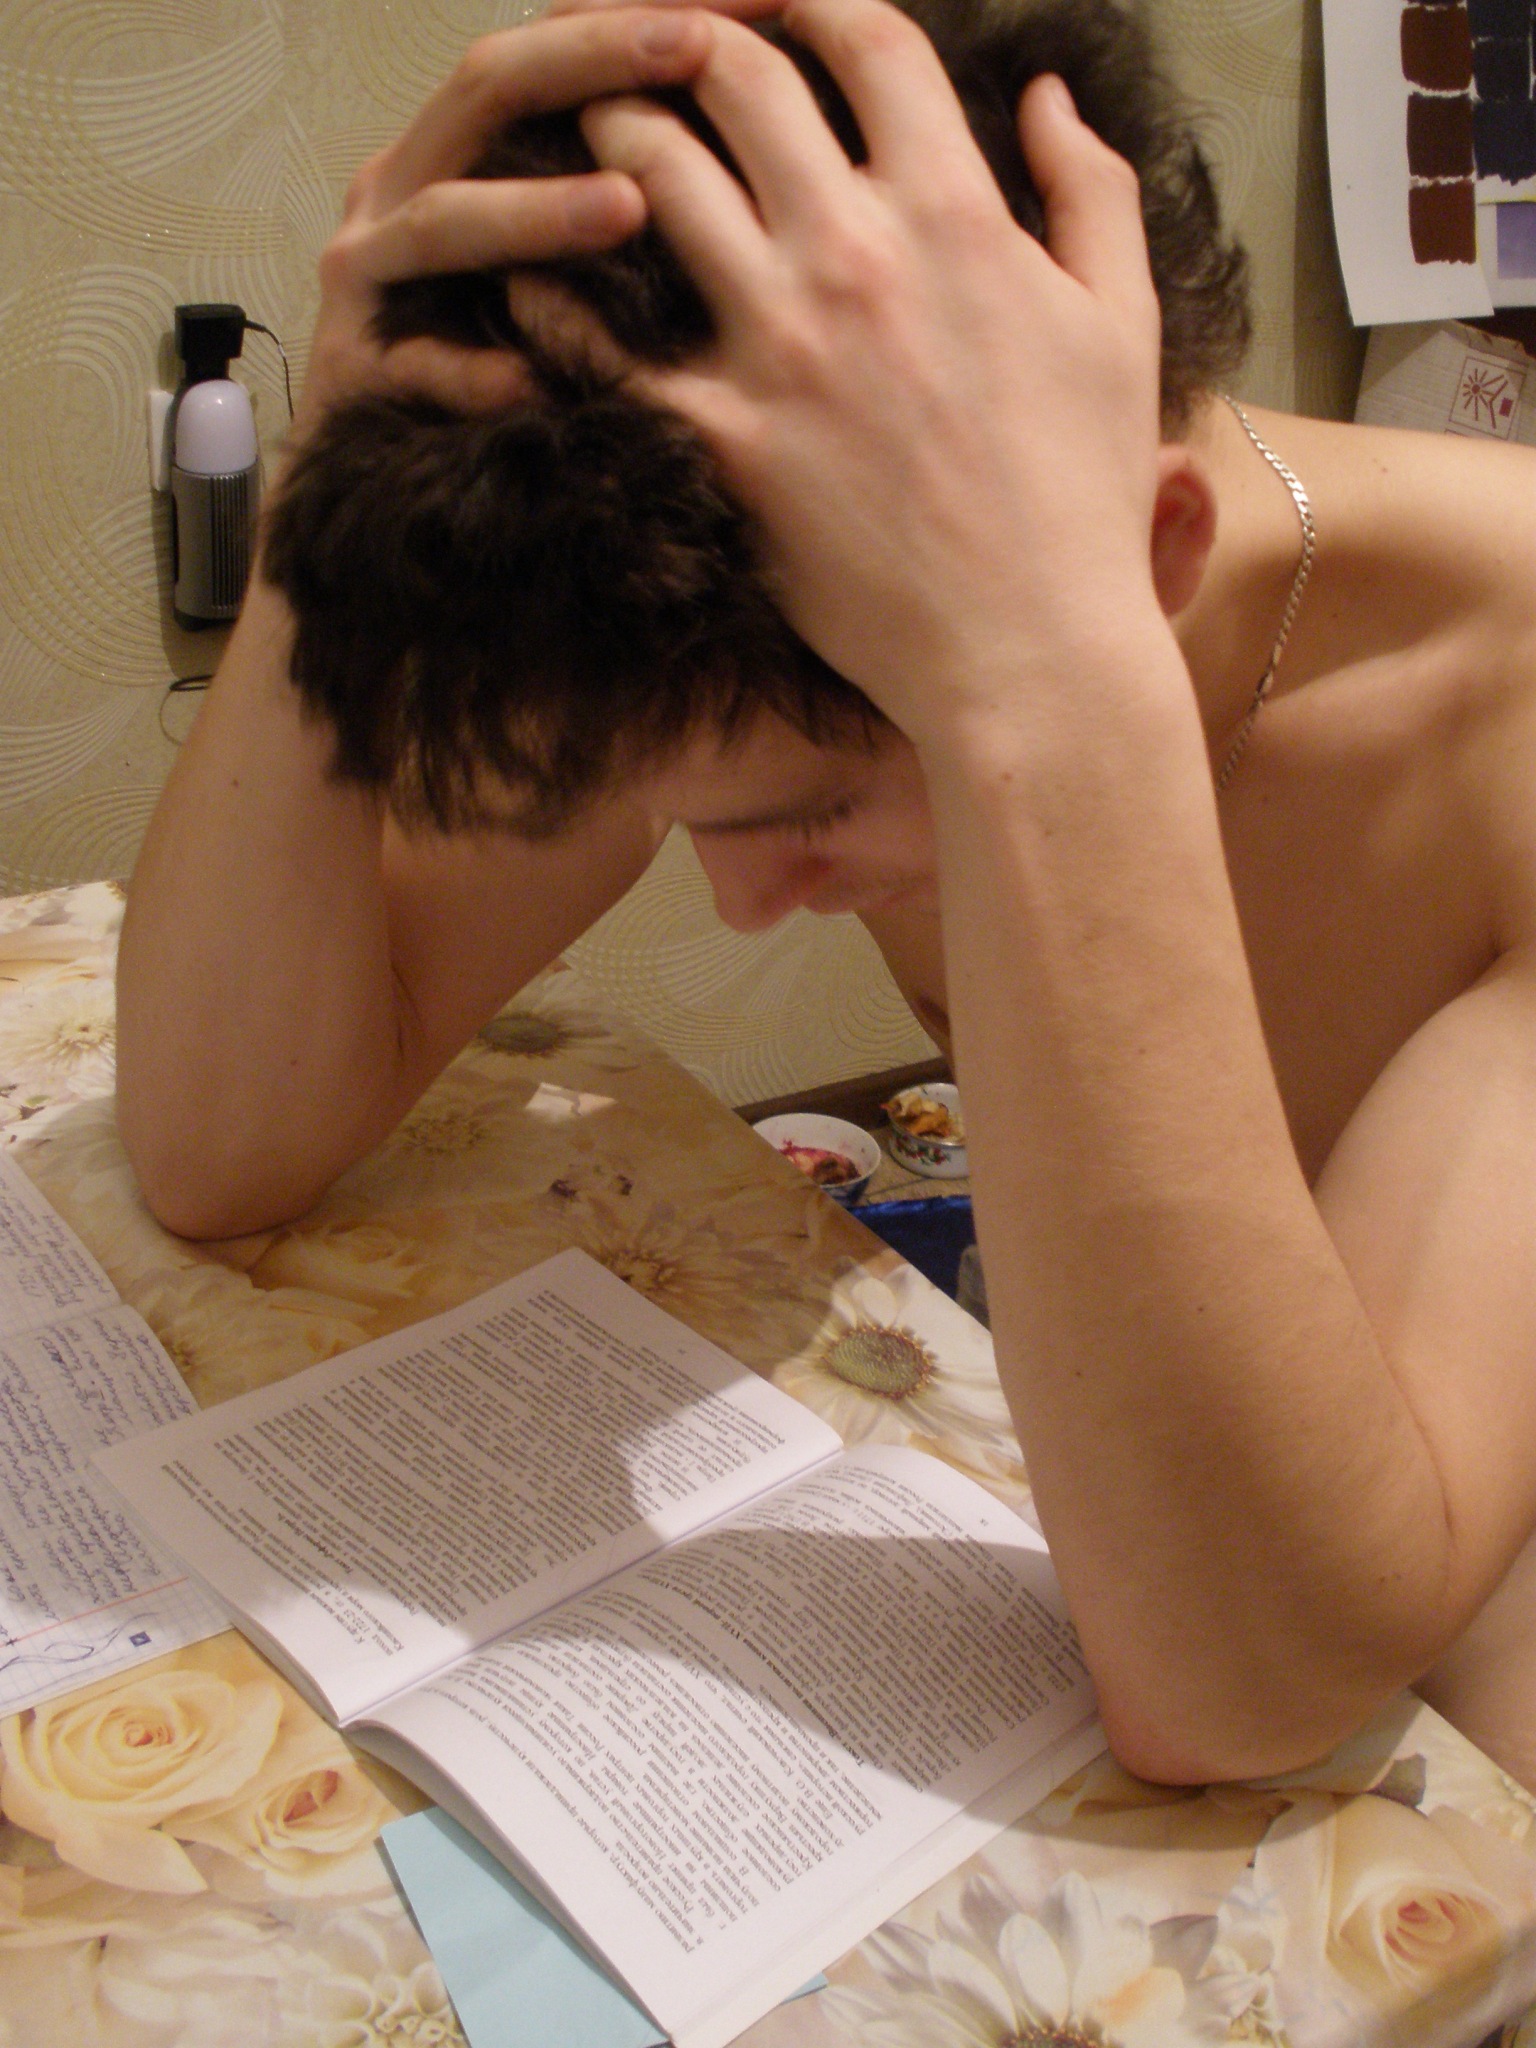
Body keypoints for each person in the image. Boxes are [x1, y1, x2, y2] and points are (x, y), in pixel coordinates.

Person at [115, 0, 1536, 1796]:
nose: (738, 900)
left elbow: (1242, 1687)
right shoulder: (774, 570)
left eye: (803, 814)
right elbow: (217, 1142)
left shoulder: (1494, 711)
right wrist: (328, 506)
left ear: (1149, 556)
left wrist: (1055, 690)